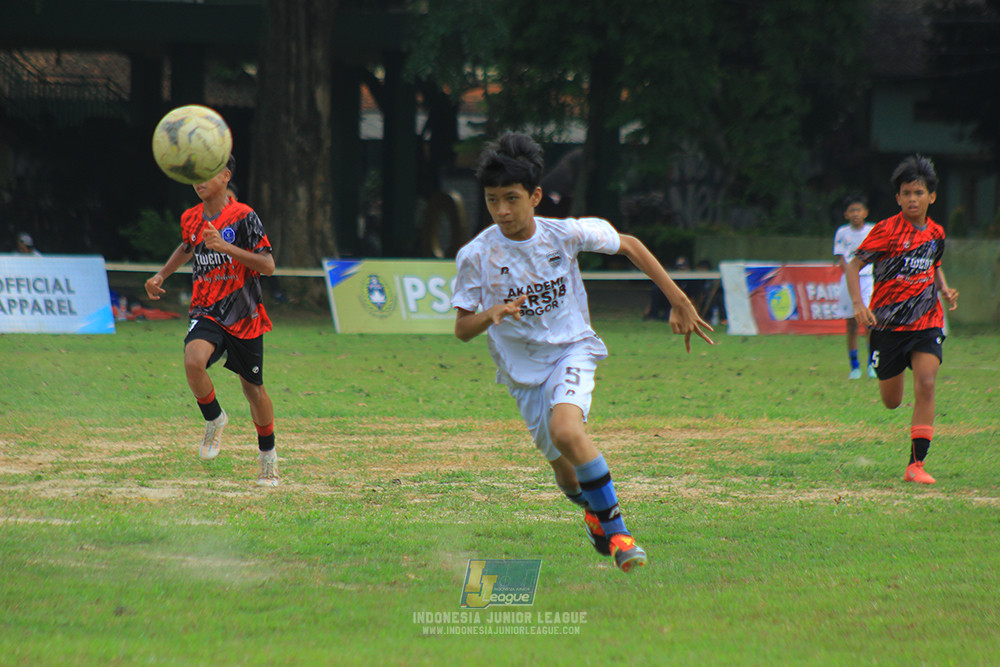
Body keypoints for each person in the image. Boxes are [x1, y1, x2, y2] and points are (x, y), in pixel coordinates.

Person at [451, 133, 714, 572]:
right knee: (564, 471)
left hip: (572, 349)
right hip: (522, 371)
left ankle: (619, 534)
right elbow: (461, 329)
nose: (501, 211)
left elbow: (629, 243)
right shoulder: (476, 255)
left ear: (535, 196)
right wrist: (491, 314)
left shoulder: (564, 234)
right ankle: (592, 511)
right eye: (493, 200)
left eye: (511, 199)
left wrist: (678, 298)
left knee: (568, 432)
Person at [144, 155, 280, 486]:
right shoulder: (191, 217)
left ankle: (268, 456)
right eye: (195, 176)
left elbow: (268, 266)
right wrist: (161, 275)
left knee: (254, 390)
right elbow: (187, 246)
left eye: (207, 174)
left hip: (244, 315)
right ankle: (214, 418)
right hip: (206, 309)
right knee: (194, 360)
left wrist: (226, 247)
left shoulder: (245, 216)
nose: (199, 181)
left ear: (226, 177)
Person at [845, 155, 959, 485]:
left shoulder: (937, 233)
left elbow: (933, 264)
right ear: (898, 198)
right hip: (887, 326)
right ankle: (889, 377)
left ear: (931, 197)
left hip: (926, 322)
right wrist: (858, 304)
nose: (912, 198)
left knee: (926, 383)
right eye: (907, 193)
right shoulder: (885, 231)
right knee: (891, 401)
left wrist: (944, 289)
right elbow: (854, 267)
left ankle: (916, 465)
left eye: (919, 193)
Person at [833, 195, 875, 379]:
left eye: (859, 210)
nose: (856, 214)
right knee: (851, 323)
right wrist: (851, 275)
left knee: (870, 322)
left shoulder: (872, 230)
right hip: (849, 281)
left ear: (865, 212)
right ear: (846, 214)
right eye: (852, 211)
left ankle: (871, 364)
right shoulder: (842, 232)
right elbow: (841, 258)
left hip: (867, 280)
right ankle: (854, 366)